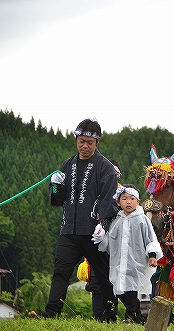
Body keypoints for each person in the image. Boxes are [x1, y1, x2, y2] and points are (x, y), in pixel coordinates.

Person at [28, 119, 118, 321]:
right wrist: (55, 186)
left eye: (90, 142)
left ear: (97, 142)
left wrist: (103, 225)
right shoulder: (67, 165)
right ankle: (51, 312)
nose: (85, 146)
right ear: (76, 139)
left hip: (94, 232)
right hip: (69, 229)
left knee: (103, 276)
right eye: (81, 141)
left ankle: (110, 314)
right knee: (60, 270)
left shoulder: (106, 168)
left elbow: (109, 199)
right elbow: (57, 199)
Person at [96, 184, 163, 324]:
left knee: (133, 289)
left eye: (132, 198)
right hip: (119, 263)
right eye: (124, 198)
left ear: (138, 201)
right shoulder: (116, 221)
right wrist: (101, 238)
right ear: (118, 202)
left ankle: (130, 317)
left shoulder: (142, 219)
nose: (128, 202)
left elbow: (150, 238)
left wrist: (152, 255)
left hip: (137, 262)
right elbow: (109, 242)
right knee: (120, 290)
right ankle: (139, 317)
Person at [86, 158, 122, 320]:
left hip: (116, 247)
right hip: (96, 244)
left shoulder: (124, 196)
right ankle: (98, 317)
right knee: (96, 283)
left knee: (113, 282)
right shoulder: (93, 193)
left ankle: (111, 315)